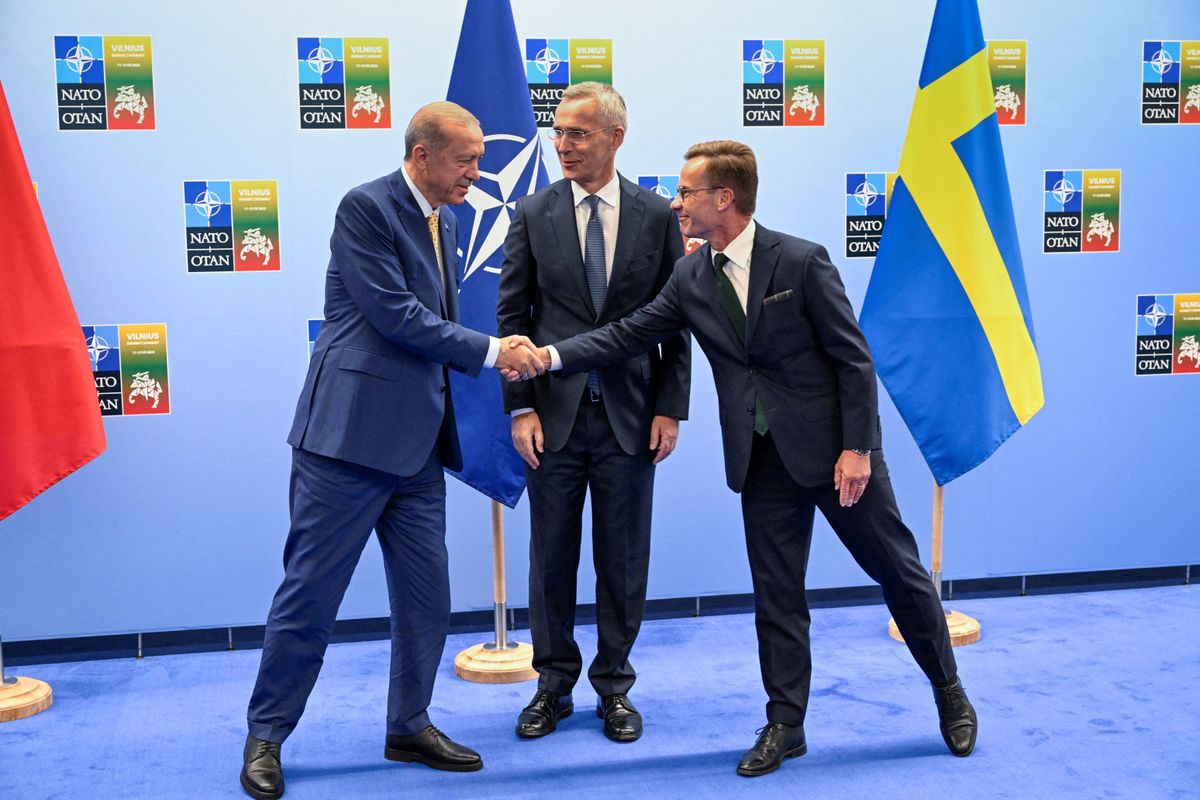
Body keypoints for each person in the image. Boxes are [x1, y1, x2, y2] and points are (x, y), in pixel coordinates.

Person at [504, 140, 977, 775]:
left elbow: (854, 360)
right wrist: (551, 357)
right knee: (777, 596)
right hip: (759, 461)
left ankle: (948, 691)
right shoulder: (691, 275)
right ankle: (786, 723)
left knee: (898, 572)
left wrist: (858, 447)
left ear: (724, 198)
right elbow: (630, 334)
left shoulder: (802, 261)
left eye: (688, 192)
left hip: (839, 457)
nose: (676, 203)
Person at [239, 102, 545, 800]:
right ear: (422, 156)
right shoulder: (365, 208)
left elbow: (435, 321)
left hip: (417, 449)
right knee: (310, 597)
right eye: (467, 158)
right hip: (347, 442)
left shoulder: (453, 217)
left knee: (426, 598)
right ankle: (266, 735)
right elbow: (397, 317)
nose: (479, 170)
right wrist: (497, 351)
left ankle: (408, 723)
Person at [496, 82, 690, 743]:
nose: (562, 144)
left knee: (623, 559)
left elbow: (678, 321)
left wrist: (672, 407)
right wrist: (519, 408)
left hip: (633, 419)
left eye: (577, 133)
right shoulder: (530, 212)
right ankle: (552, 687)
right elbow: (511, 319)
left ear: (615, 137)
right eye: (558, 132)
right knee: (551, 558)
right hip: (551, 421)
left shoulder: (658, 216)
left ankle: (614, 687)